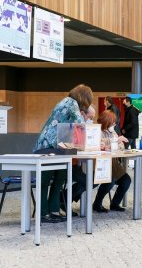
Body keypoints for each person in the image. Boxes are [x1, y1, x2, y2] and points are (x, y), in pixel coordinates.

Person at [34, 84, 93, 223]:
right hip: (47, 146)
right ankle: (43, 213)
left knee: (60, 178)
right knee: (45, 181)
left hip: (59, 148)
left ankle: (54, 210)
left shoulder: (69, 104)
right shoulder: (70, 102)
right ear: (83, 97)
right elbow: (80, 123)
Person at [92, 110, 131, 213]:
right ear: (107, 121)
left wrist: (114, 143)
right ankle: (97, 203)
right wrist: (114, 142)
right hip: (100, 164)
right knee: (110, 180)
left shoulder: (112, 132)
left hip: (113, 164)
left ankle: (115, 204)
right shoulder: (97, 131)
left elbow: (121, 145)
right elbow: (99, 146)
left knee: (126, 180)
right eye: (113, 122)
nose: (115, 124)